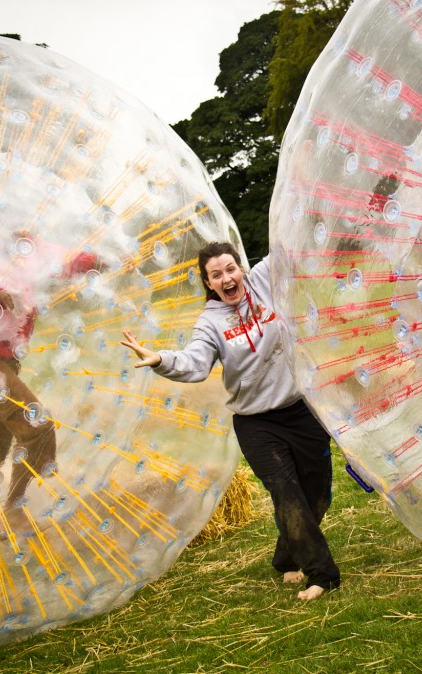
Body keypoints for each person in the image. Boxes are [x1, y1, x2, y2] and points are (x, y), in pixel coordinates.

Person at [120, 242, 340, 601]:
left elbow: (288, 239)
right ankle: (322, 574)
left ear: (242, 268)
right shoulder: (210, 322)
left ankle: (287, 555)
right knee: (286, 494)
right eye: (216, 274)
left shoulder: (264, 281)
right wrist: (160, 358)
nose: (226, 278)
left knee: (316, 498)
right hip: (257, 424)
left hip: (300, 410)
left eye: (230, 269)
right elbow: (195, 362)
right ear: (209, 283)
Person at [0, 231, 100, 536]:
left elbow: (65, 260)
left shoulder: (31, 245)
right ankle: (14, 512)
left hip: (3, 359)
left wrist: (99, 260)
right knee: (38, 428)